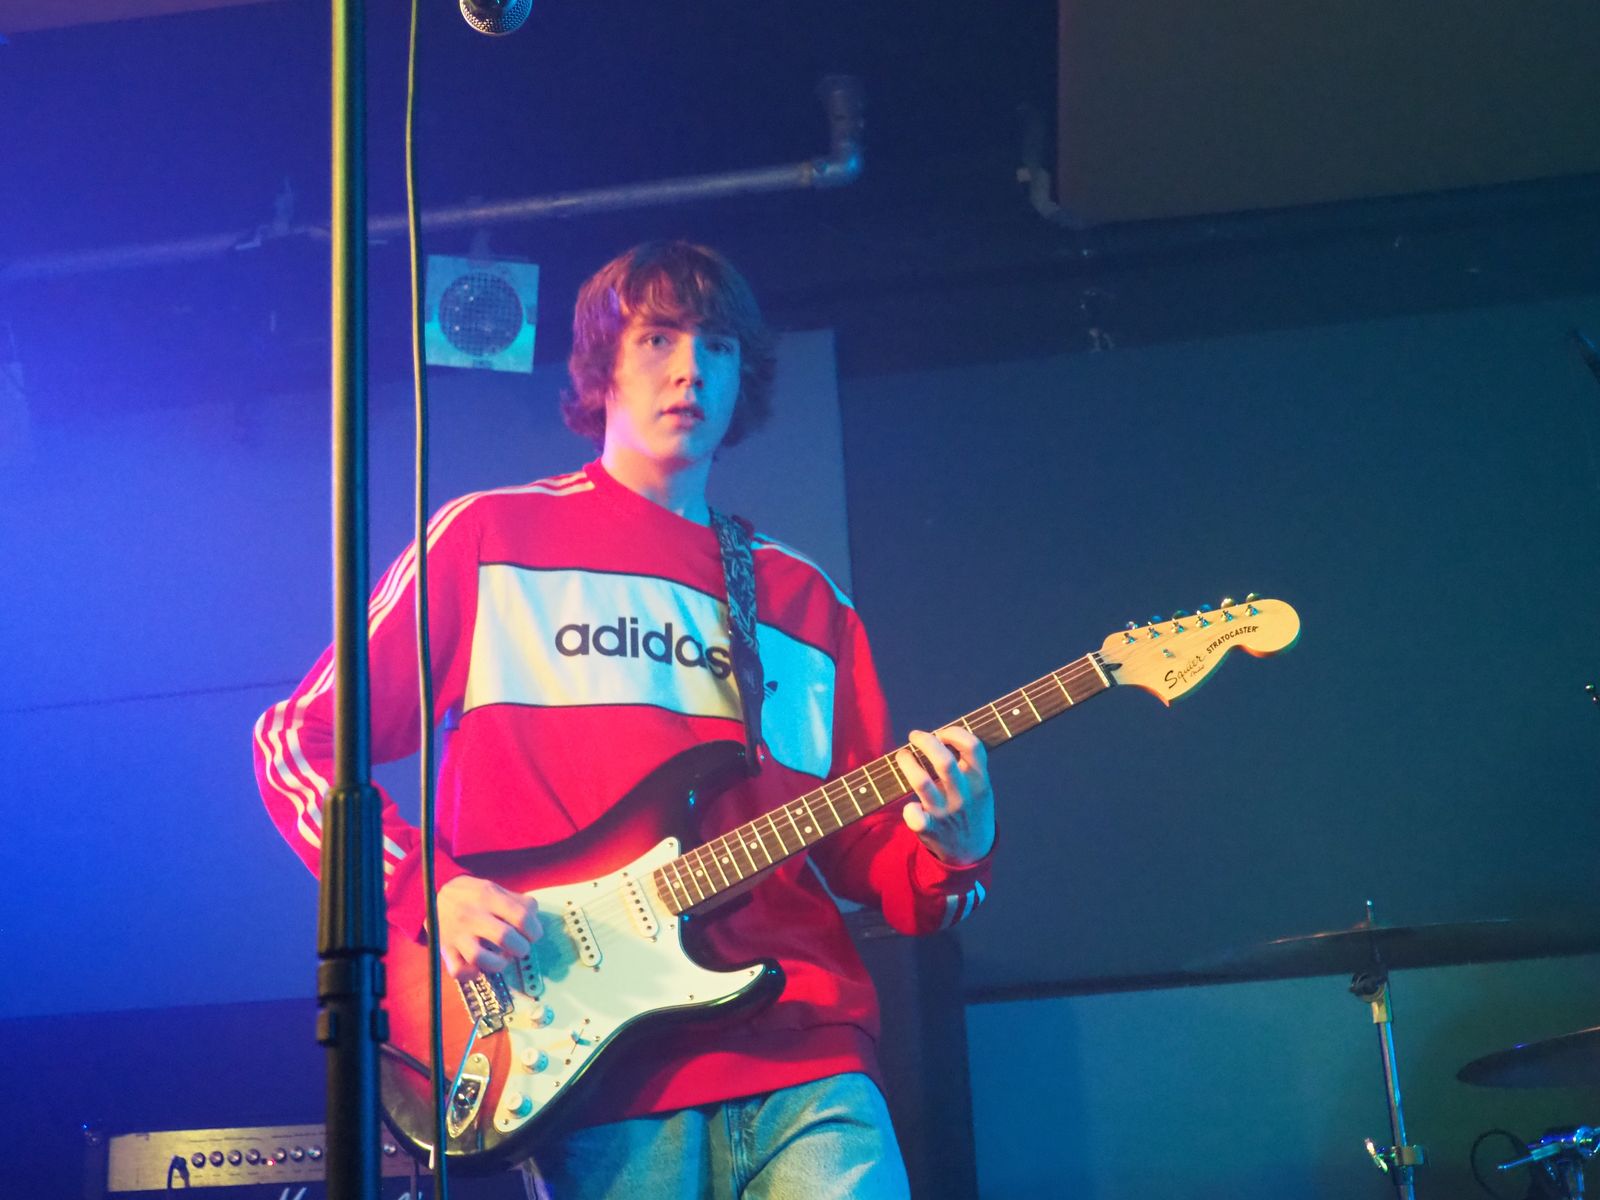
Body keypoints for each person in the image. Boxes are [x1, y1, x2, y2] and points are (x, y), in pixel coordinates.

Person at [252, 239, 996, 1199]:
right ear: (601, 365)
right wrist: (425, 892)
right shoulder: (490, 539)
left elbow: (872, 865)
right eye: (657, 339)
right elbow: (296, 743)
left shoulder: (806, 601)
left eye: (718, 346)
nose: (691, 369)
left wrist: (955, 848)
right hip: (590, 1064)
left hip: (805, 1047)